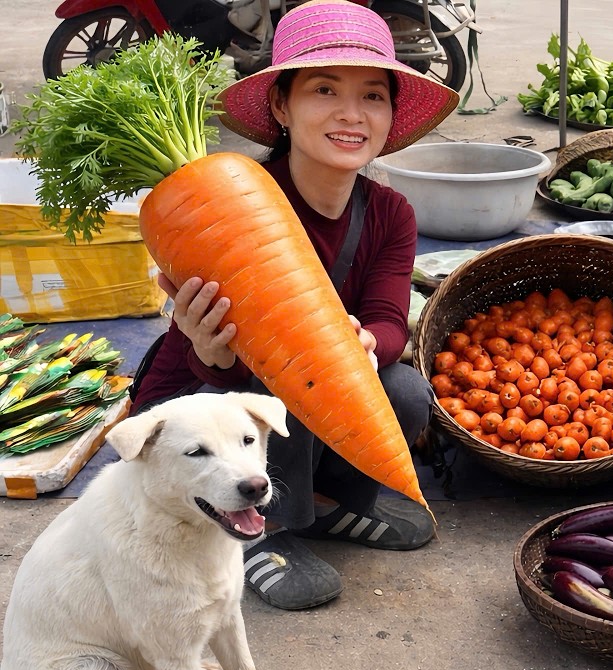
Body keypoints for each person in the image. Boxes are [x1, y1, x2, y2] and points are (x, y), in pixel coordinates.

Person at [131, 0, 460, 608]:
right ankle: (259, 530)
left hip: (313, 386)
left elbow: (391, 322)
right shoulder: (223, 210)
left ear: (391, 113)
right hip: (202, 404)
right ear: (282, 105)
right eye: (324, 90)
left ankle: (323, 505)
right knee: (288, 378)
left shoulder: (390, 212)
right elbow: (208, 370)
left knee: (406, 391)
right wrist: (210, 349)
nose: (351, 114)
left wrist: (364, 343)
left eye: (373, 96)